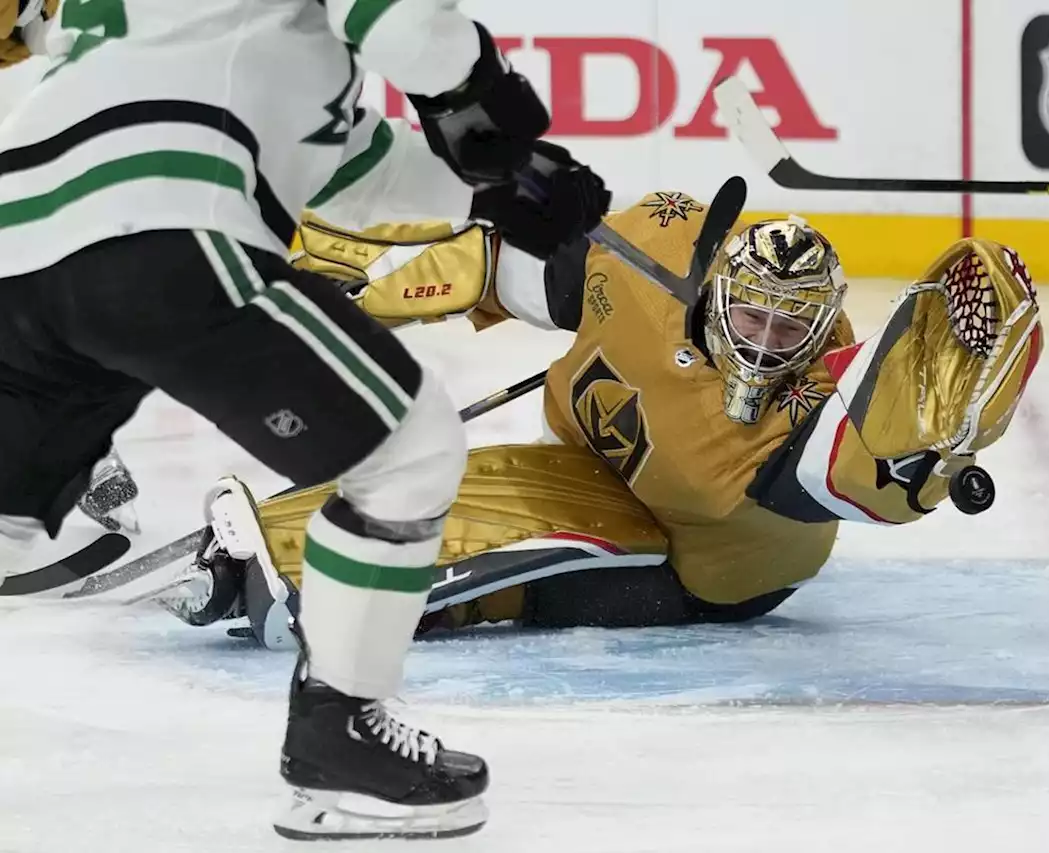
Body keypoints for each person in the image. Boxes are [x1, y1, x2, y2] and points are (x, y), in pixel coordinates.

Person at [0, 0, 609, 839]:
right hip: (165, 222)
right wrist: (480, 93)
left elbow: (351, 173)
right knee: (410, 450)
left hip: (17, 245)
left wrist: (499, 187)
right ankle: (344, 746)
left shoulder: (247, 35)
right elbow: (405, 26)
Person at [163, 182, 1044, 643]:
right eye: (751, 316)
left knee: (548, 546)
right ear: (718, 288)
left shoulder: (800, 429)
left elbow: (880, 458)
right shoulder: (655, 252)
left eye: (792, 327)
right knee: (497, 487)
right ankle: (312, 552)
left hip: (714, 562)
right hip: (591, 453)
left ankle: (325, 578)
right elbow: (500, 269)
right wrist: (369, 284)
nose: (769, 343)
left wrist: (943, 414)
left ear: (821, 327)